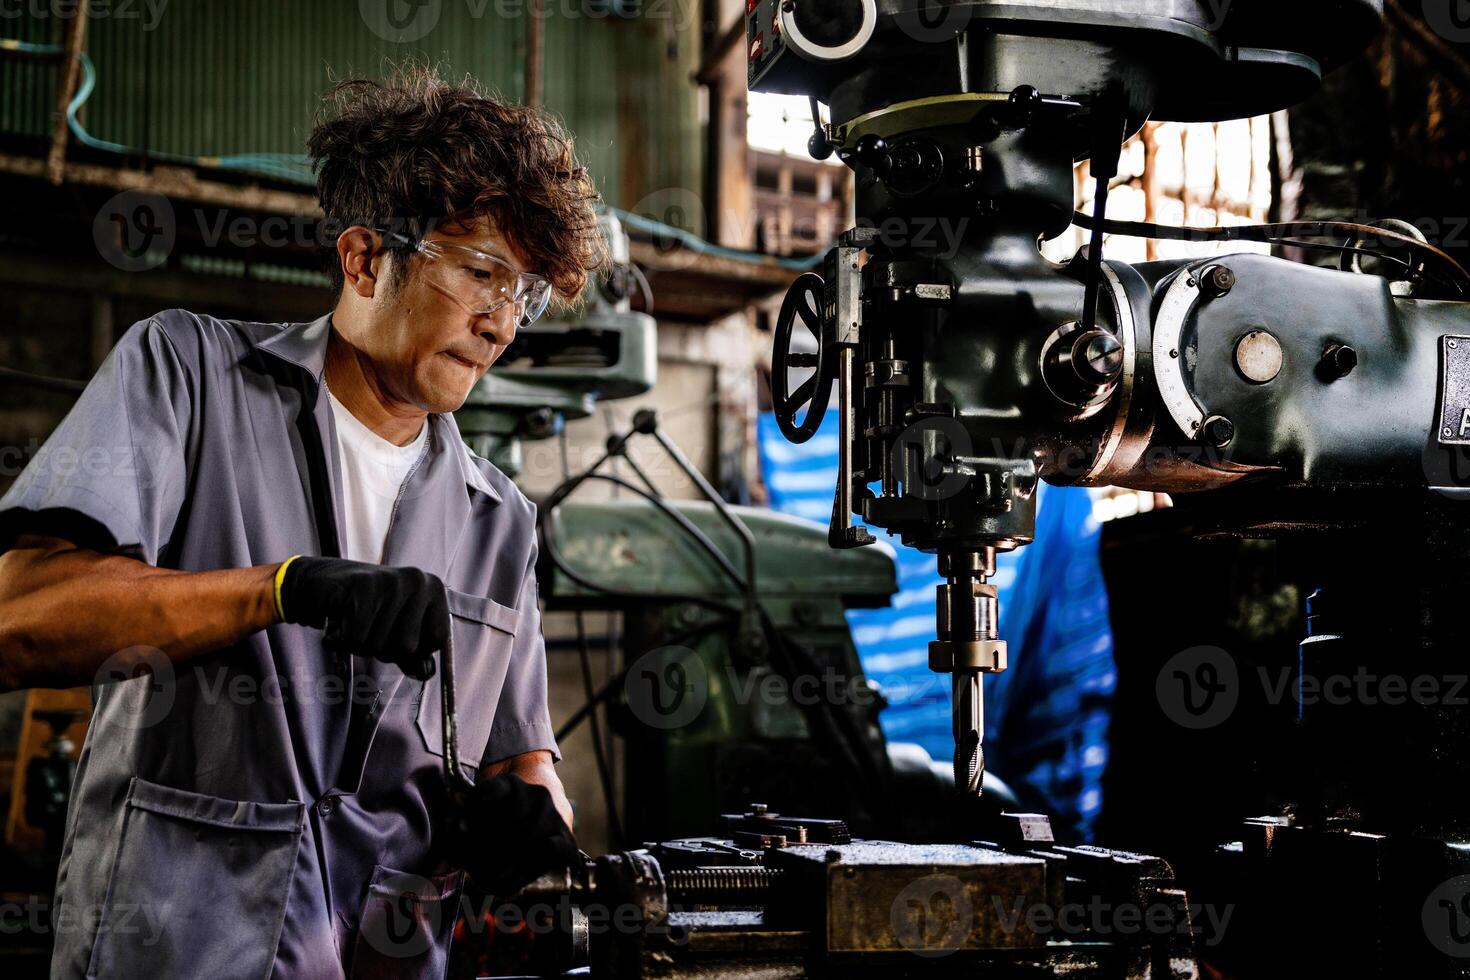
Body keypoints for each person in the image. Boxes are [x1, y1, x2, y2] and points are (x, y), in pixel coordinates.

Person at [0, 67, 602, 978]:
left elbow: (523, 761)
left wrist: (533, 825)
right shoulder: (187, 377)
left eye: (523, 296)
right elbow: (19, 618)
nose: (499, 325)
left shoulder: (499, 519)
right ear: (364, 258)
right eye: (482, 273)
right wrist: (279, 591)